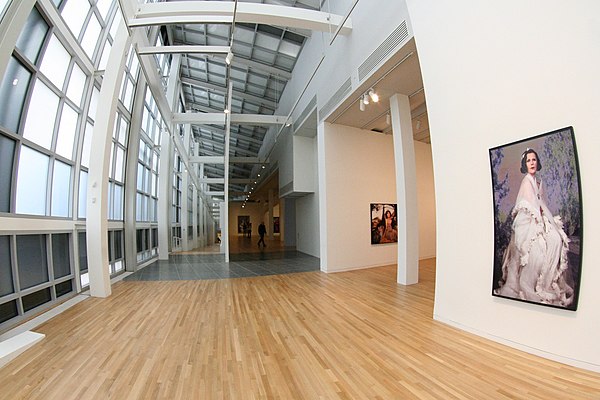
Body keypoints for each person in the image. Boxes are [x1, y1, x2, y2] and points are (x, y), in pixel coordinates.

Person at [495, 148, 573, 307]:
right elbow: (529, 207)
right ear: (525, 164)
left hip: (540, 219)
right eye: (528, 160)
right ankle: (538, 283)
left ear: (537, 163)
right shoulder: (526, 181)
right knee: (538, 250)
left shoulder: (538, 182)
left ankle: (550, 279)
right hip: (529, 222)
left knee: (556, 239)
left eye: (534, 160)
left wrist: (548, 221)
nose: (531, 163)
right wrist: (541, 221)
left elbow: (542, 204)